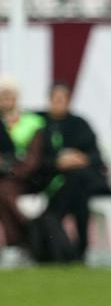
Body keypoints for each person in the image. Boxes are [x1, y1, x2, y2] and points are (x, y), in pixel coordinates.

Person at [38, 82, 111, 261]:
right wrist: (58, 162)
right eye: (55, 99)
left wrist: (80, 159)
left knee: (75, 179)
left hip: (76, 184)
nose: (58, 103)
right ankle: (79, 247)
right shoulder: (40, 124)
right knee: (76, 185)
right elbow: (36, 158)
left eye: (62, 99)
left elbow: (96, 156)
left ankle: (64, 245)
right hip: (53, 182)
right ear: (48, 100)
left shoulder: (79, 124)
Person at [0, 78, 46, 252]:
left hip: (25, 177)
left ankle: (19, 241)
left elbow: (33, 158)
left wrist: (12, 171)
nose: (6, 98)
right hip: (4, 177)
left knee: (4, 191)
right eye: (2, 94)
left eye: (9, 94)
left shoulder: (32, 122)